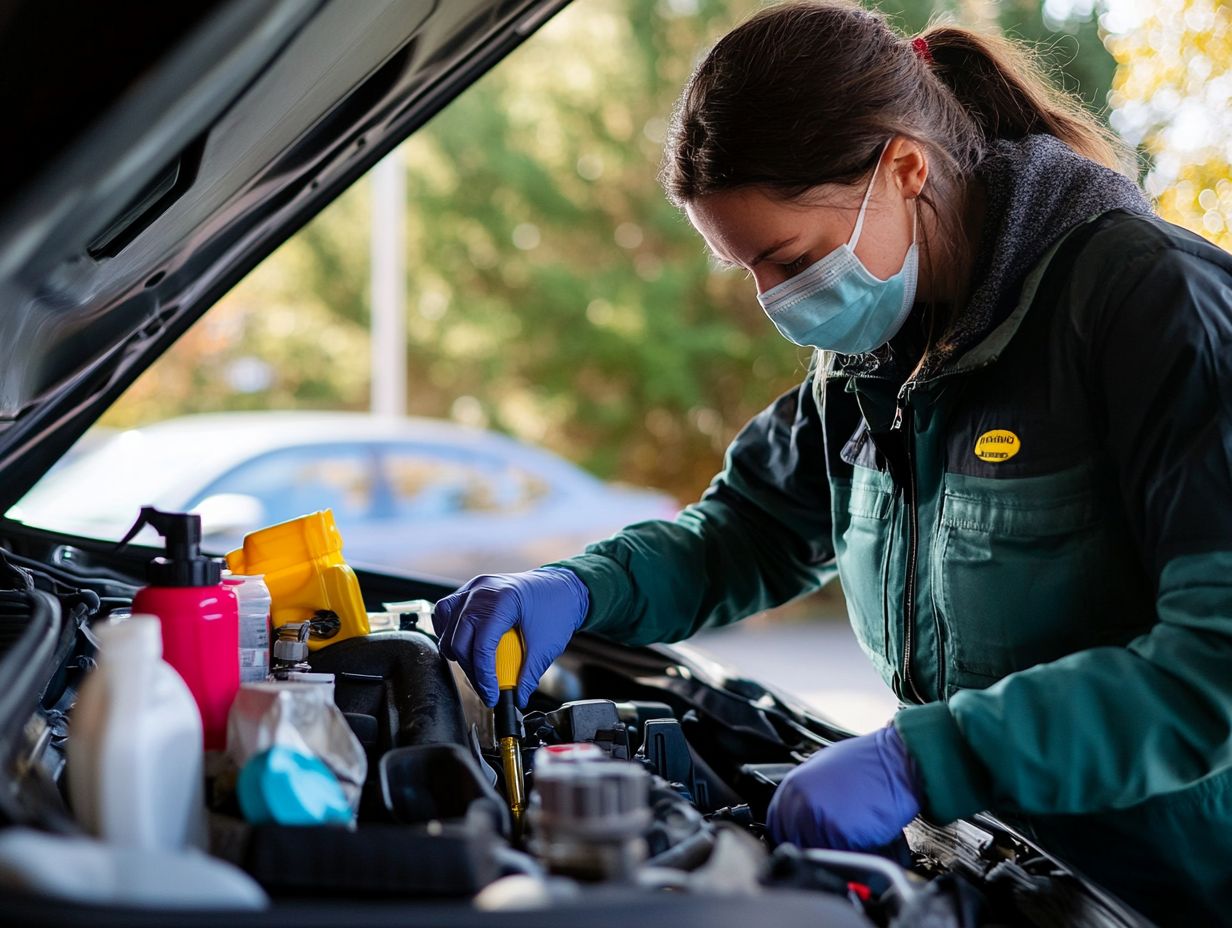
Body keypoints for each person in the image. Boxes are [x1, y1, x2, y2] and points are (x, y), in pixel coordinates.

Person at [433, 2, 1232, 920]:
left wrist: (924, 758)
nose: (776, 301)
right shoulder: (876, 357)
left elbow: (1215, 664)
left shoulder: (1153, 307)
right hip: (994, 874)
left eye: (789, 257)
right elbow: (745, 534)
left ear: (904, 166)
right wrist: (577, 590)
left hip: (1171, 895)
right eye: (748, 271)